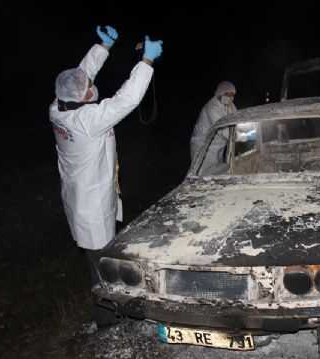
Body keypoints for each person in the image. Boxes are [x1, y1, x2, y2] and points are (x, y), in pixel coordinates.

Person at [49, 25, 163, 325]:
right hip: (92, 207)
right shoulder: (87, 120)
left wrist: (102, 47)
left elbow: (81, 75)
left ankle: (113, 311)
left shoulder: (58, 108)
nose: (92, 87)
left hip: (84, 195)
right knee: (102, 268)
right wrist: (146, 62)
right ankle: (107, 320)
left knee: (103, 262)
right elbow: (126, 100)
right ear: (80, 98)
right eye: (89, 89)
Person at [189, 81, 238, 172]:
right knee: (203, 172)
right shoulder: (212, 107)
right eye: (226, 94)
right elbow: (222, 129)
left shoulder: (230, 105)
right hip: (204, 146)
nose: (229, 97)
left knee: (218, 171)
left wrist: (247, 129)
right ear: (220, 93)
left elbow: (237, 119)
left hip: (219, 144)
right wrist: (242, 137)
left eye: (231, 94)